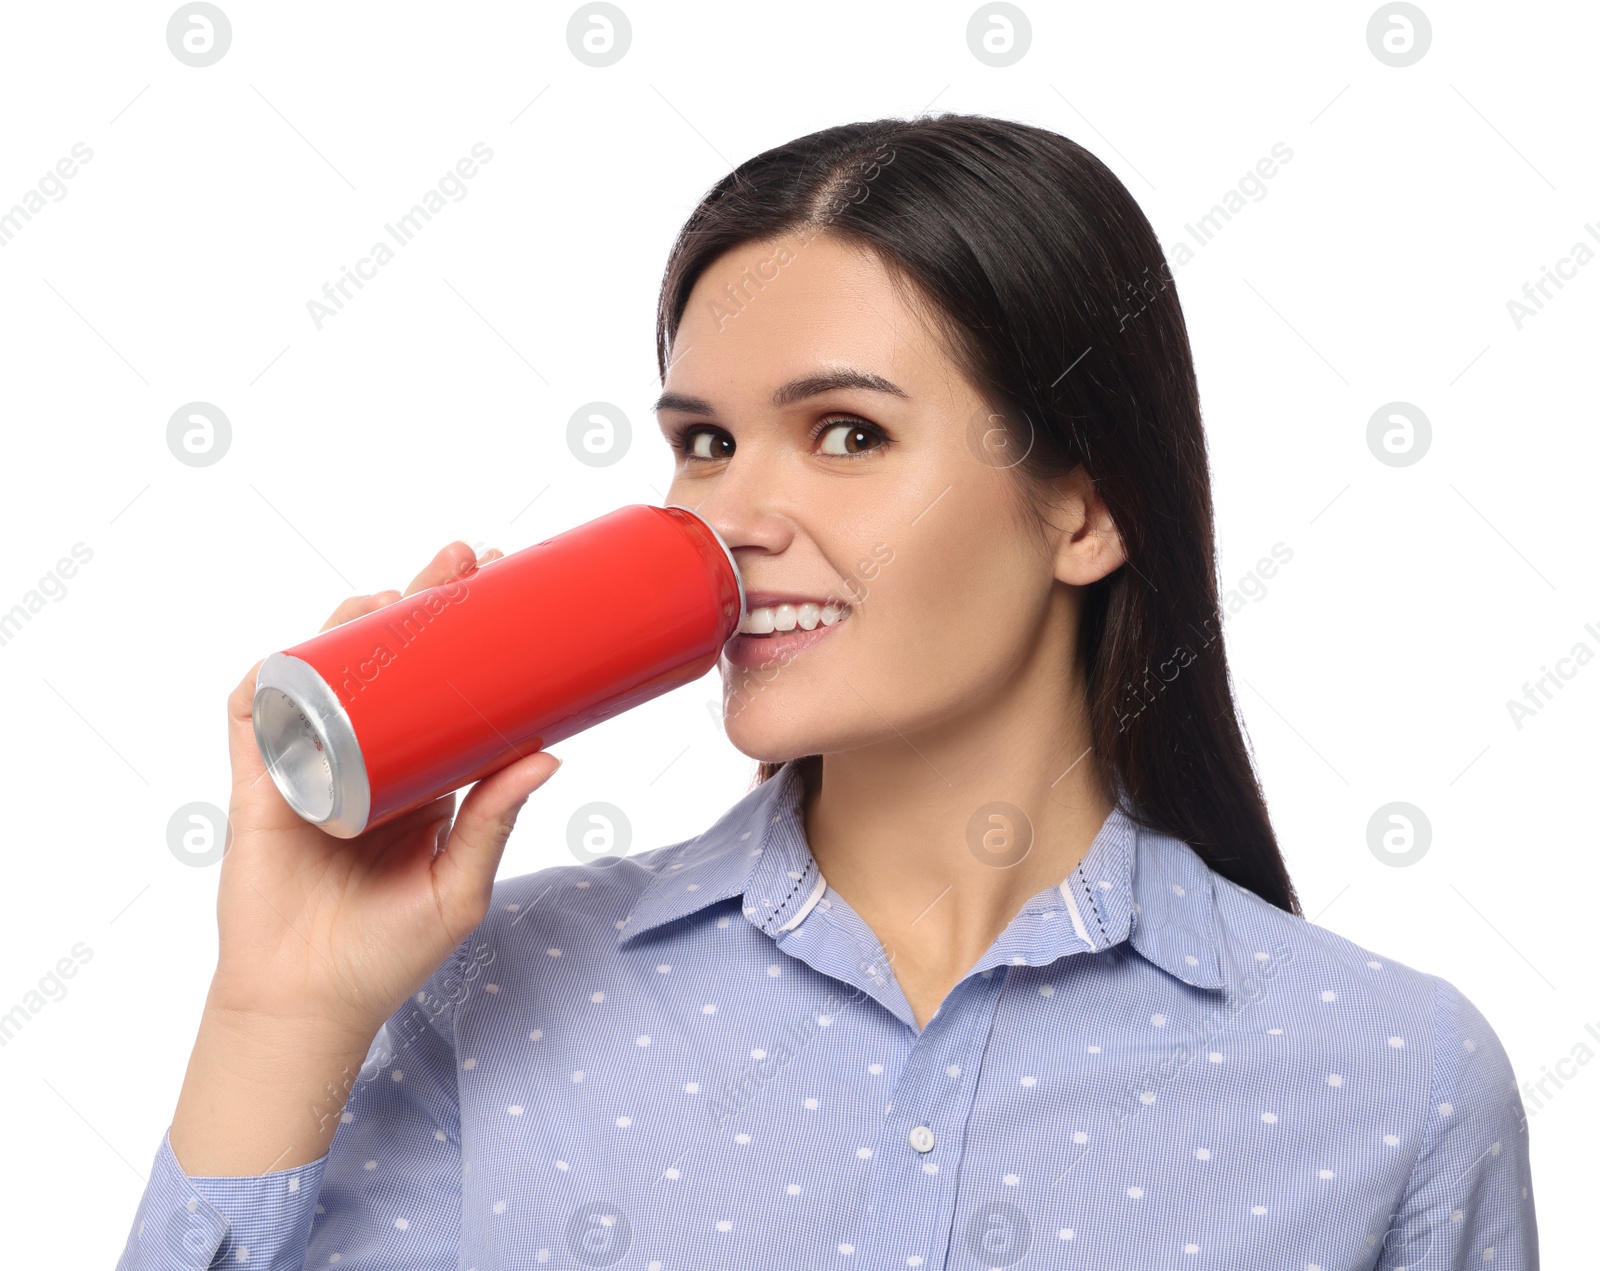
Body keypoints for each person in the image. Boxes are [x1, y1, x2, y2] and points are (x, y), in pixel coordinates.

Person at [117, 113, 1538, 1269]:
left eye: (847, 434)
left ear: (1084, 512)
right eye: (707, 441)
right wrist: (277, 1017)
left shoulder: (1393, 1079)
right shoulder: (492, 986)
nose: (731, 517)